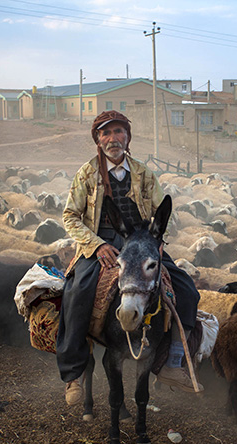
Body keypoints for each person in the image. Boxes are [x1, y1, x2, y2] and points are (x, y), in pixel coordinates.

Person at [57, 110, 203, 406]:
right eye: (106, 134)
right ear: (98, 141)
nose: (113, 139)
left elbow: (165, 212)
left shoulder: (144, 173)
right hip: (102, 242)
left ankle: (174, 362)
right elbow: (70, 217)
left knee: (186, 289)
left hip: (142, 241)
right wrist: (97, 246)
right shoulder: (86, 174)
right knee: (77, 292)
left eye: (119, 132)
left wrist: (157, 241)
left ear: (127, 137)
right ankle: (74, 373)